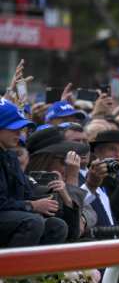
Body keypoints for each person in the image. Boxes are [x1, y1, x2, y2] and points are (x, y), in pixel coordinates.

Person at [0, 100, 68, 246]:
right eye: (13, 128)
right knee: (32, 221)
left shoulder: (10, 156)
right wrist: (32, 205)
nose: (19, 133)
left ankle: (44, 269)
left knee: (56, 225)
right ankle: (13, 269)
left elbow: (24, 192)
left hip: (10, 214)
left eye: (21, 128)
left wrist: (49, 198)